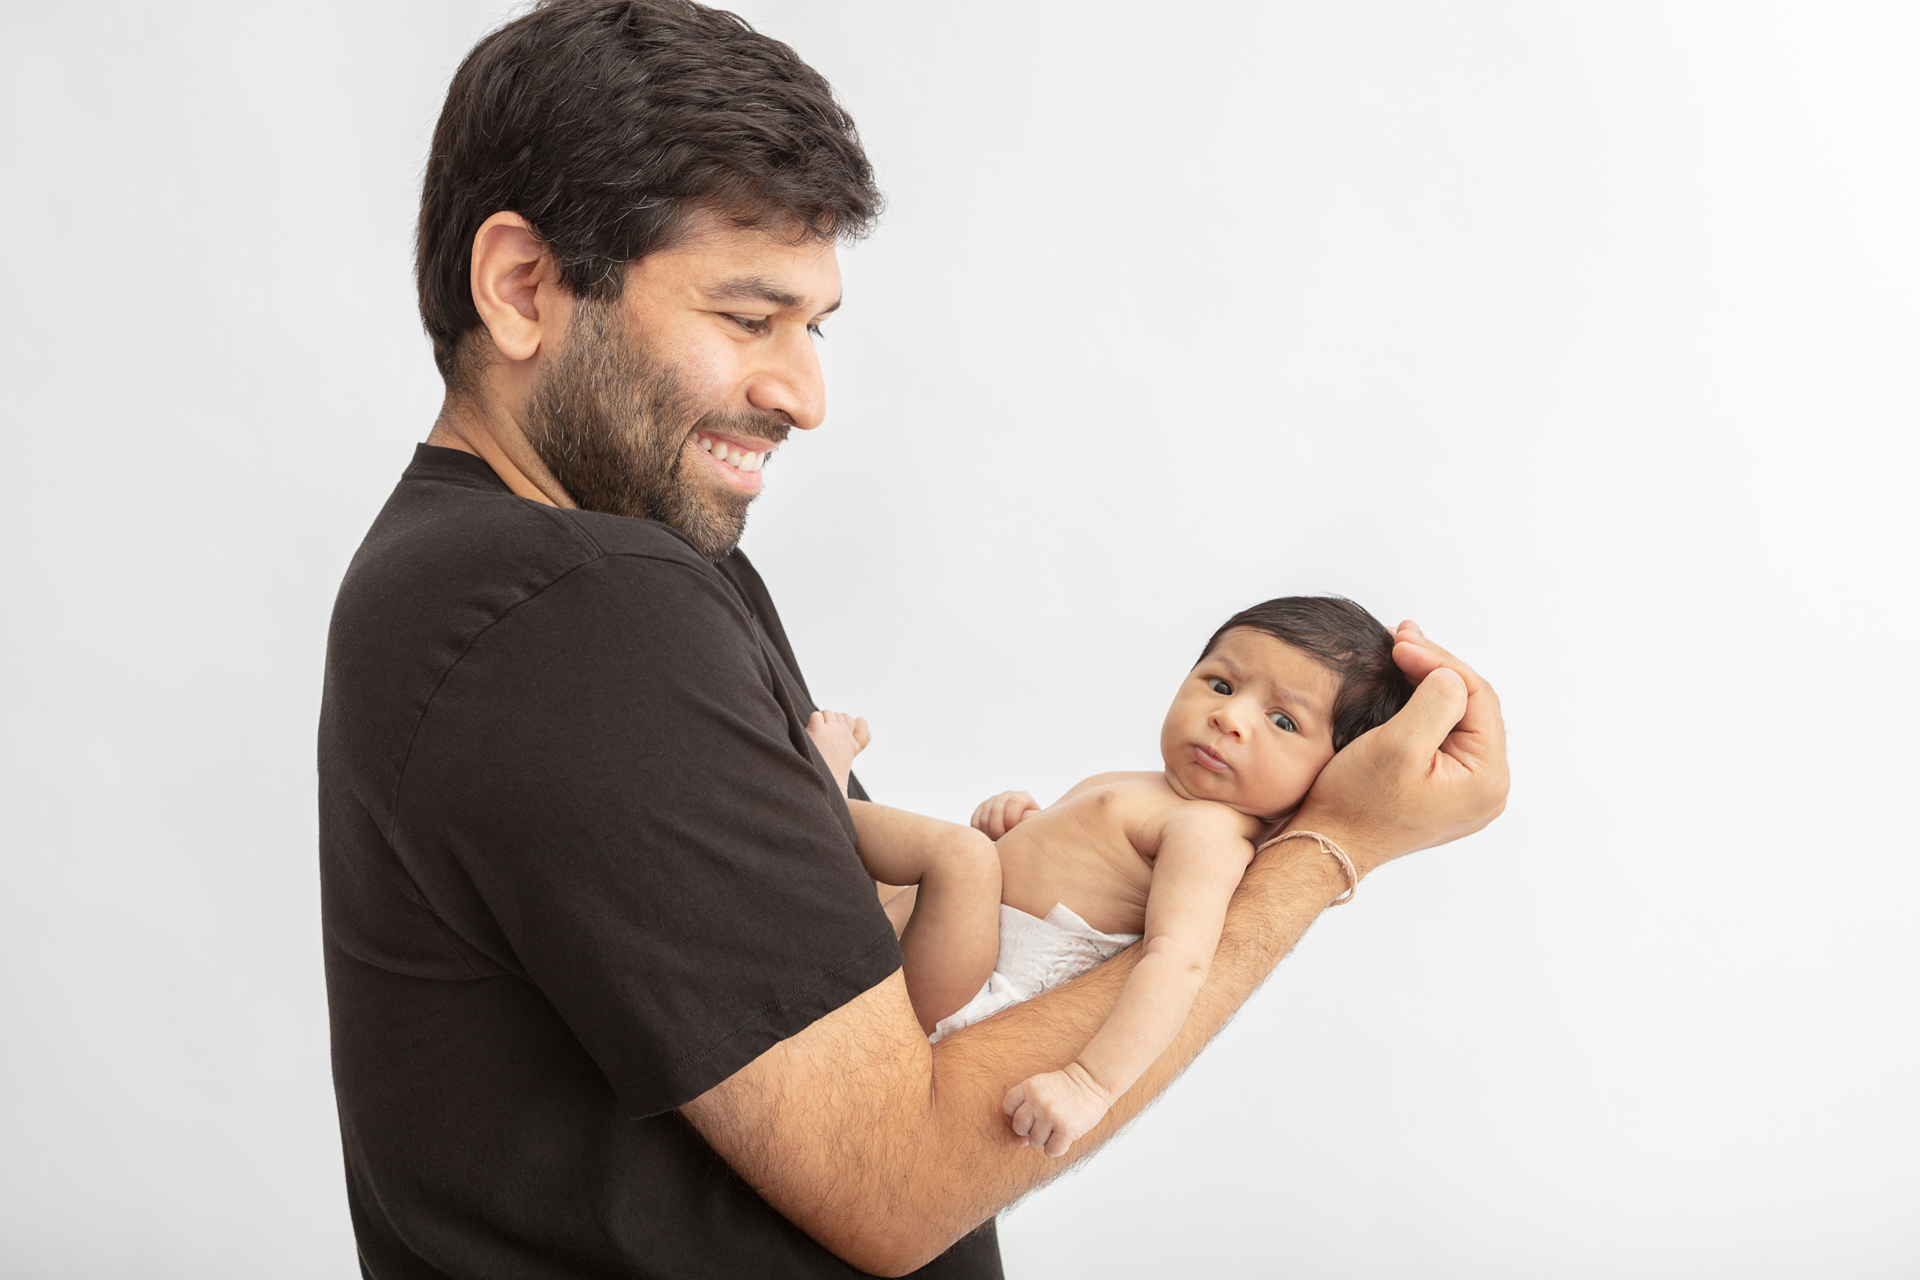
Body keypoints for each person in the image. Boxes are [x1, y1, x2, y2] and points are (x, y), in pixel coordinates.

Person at [316, 1, 1510, 1276]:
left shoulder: (581, 570)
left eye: (813, 327)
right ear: (522, 286)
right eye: (747, 317)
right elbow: (896, 1173)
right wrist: (1329, 849)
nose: (804, 394)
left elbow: (856, 977)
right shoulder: (571, 606)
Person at [805, 596, 1414, 1158]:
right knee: (963, 857)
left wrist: (1087, 1083)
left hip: (968, 995)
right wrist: (1020, 824)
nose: (1230, 717)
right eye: (1221, 684)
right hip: (938, 938)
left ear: (1329, 775)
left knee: (960, 858)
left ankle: (822, 807)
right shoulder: (1152, 791)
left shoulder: (1209, 835)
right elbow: (1061, 872)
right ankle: (839, 840)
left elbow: (1178, 962)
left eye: (1284, 722)